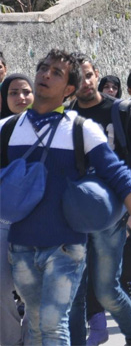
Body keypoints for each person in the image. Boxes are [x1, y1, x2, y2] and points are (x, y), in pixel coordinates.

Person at [3, 50, 131, 345]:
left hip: (65, 248)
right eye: (42, 68)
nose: (45, 75)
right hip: (21, 247)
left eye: (56, 73)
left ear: (69, 89)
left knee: (52, 323)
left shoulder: (81, 130)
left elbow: (124, 182)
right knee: (36, 325)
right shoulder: (8, 128)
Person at [68, 56, 131, 345]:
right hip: (74, 212)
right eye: (78, 77)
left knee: (106, 289)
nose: (85, 82)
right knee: (74, 291)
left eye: (89, 75)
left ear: (96, 75)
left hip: (112, 213)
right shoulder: (67, 116)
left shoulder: (122, 111)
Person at [0, 73, 33, 346]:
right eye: (13, 92)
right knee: (1, 289)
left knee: (35, 292)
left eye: (25, 91)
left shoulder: (52, 128)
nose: (20, 98)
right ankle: (10, 340)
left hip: (41, 223)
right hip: (3, 222)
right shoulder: (1, 128)